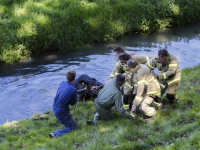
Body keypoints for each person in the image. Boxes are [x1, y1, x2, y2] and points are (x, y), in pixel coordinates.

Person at [49, 70, 79, 138]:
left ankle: (67, 121)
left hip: (55, 108)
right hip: (61, 113)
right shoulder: (73, 90)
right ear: (74, 78)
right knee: (75, 129)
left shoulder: (62, 83)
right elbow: (72, 103)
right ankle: (56, 134)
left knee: (69, 120)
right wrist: (75, 97)